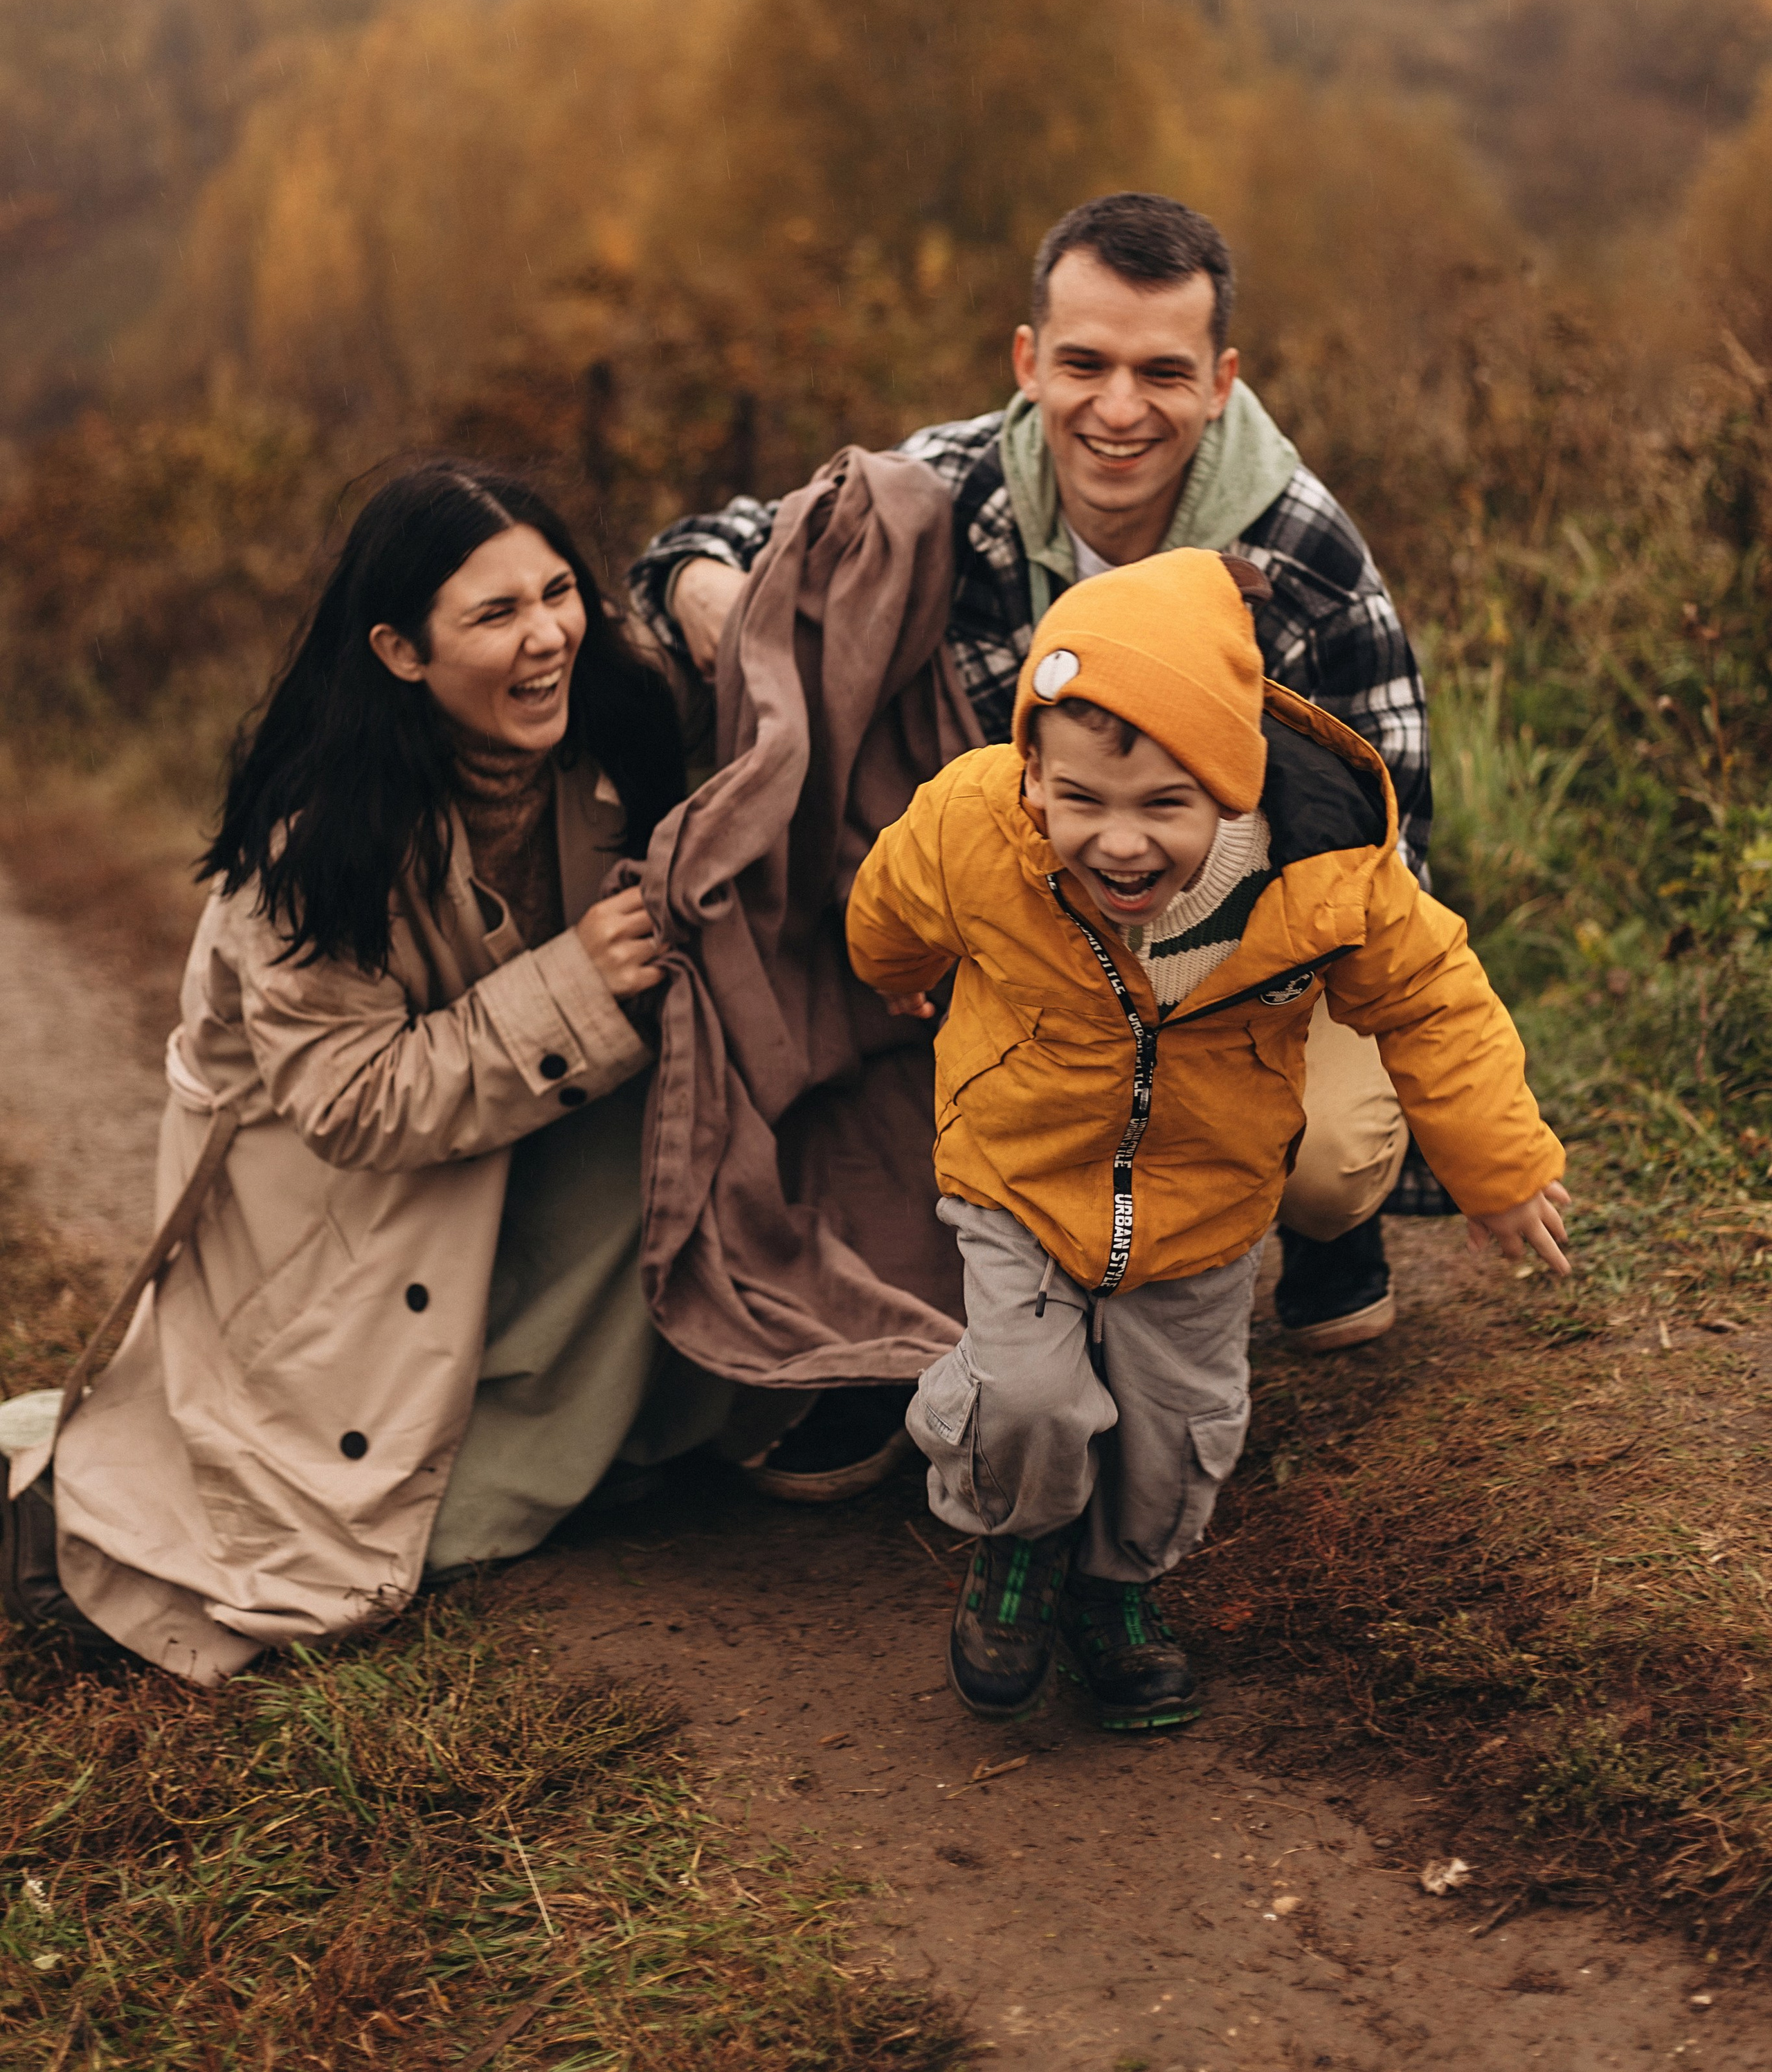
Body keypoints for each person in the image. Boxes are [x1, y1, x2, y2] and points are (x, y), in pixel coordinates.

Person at [3, 461, 789, 1681]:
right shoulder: (319, 839)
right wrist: (578, 983)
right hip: (335, 1223)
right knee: (339, 1541)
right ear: (400, 650)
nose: (547, 638)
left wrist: (697, 580)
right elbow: (352, 1101)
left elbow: (774, 679)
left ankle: (619, 1416)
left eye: (558, 592)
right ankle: (56, 1514)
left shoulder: (617, 725)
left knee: (690, 1110)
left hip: (513, 1151)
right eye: (495, 614)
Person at [631, 192, 1436, 1360]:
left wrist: (1215, 981)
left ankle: (1317, 1222)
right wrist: (710, 584)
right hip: (1034, 913)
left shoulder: (1304, 552)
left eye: (1162, 372)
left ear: (1220, 380)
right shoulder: (953, 486)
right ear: (1028, 361)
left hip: (1256, 950)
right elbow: (730, 537)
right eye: (1083, 363)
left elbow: (1393, 836)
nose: (1117, 409)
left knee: (1319, 1156)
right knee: (1002, 1115)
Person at [844, 549, 1570, 1732]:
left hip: (1206, 1193)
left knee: (1178, 1426)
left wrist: (1496, 1168)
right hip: (1018, 1171)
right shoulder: (973, 822)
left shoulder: (1325, 877)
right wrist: (896, 977)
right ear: (1032, 773)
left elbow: (1435, 995)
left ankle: (1118, 1586)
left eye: (1163, 806)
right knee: (1026, 1400)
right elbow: (892, 901)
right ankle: (1019, 1543)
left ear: (1232, 785)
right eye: (1080, 799)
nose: (1119, 842)